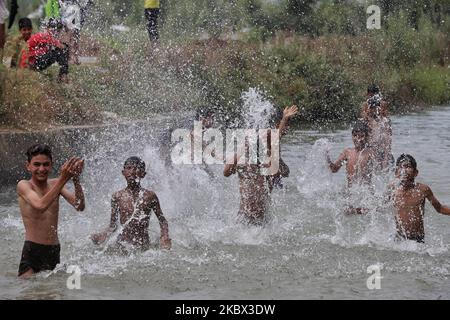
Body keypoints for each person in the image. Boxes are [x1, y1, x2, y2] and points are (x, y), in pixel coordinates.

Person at [16, 144, 85, 278]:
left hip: (53, 250)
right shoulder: (24, 185)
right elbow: (40, 205)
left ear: (51, 165)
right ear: (28, 166)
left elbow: (79, 206)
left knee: (53, 293)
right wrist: (64, 178)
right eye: (36, 164)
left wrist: (76, 179)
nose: (41, 169)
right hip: (32, 250)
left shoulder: (55, 184)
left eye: (46, 164)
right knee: (29, 293)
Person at [223, 106, 298, 225]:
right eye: (286, 124)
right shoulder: (263, 139)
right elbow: (226, 171)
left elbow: (285, 171)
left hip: (259, 218)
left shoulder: (268, 149)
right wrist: (284, 119)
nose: (287, 129)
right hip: (247, 218)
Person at [91, 157, 171, 252]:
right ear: (123, 172)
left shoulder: (150, 196)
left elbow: (162, 221)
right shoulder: (117, 197)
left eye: (136, 169)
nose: (132, 172)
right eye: (128, 168)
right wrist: (103, 235)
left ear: (143, 174)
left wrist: (164, 236)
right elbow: (113, 225)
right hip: (123, 246)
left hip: (143, 247)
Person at [385, 154, 450, 243]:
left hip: (417, 240)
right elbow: (381, 206)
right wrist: (366, 210)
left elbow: (440, 208)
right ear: (396, 172)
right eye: (401, 167)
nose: (404, 170)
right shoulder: (392, 189)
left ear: (416, 173)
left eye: (408, 167)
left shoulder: (423, 189)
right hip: (399, 238)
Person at [327, 121, 375, 214]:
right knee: (346, 215)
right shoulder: (347, 152)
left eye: (362, 136)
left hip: (366, 194)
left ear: (367, 137)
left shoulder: (370, 153)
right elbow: (334, 169)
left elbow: (381, 168)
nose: (358, 139)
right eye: (355, 136)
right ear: (352, 136)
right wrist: (327, 157)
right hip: (350, 193)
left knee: (365, 214)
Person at [27, 18, 70, 83]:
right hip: (34, 64)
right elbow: (61, 46)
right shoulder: (44, 35)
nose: (55, 32)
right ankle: (62, 76)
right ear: (47, 28)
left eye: (57, 30)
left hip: (36, 62)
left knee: (60, 50)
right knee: (60, 51)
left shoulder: (46, 36)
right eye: (53, 29)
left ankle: (62, 75)